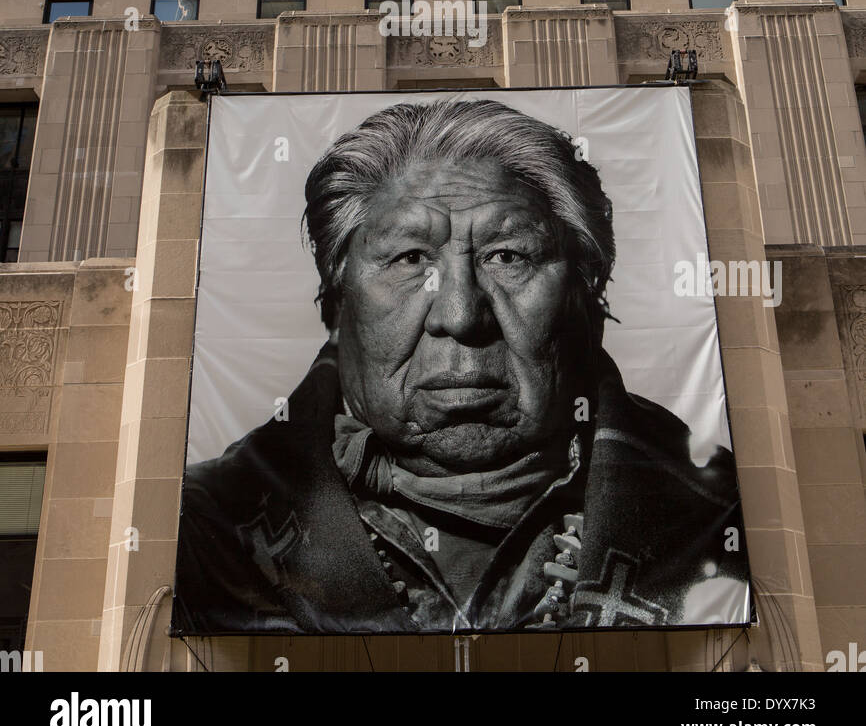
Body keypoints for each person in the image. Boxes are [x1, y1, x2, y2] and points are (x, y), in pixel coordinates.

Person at [172, 98, 749, 635]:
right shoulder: (205, 531)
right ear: (337, 305)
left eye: (508, 256)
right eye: (410, 257)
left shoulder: (717, 518)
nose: (460, 315)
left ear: (584, 298)